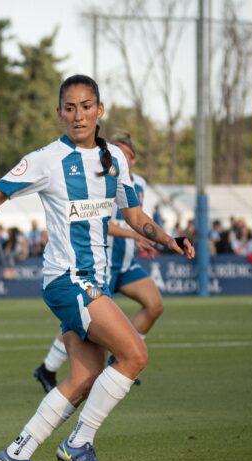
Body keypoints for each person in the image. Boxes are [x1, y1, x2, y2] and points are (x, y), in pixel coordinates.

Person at [0, 75, 194, 461]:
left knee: (84, 377)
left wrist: (169, 240)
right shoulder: (47, 160)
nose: (78, 115)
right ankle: (79, 442)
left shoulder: (115, 159)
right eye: (70, 107)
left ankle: (17, 454)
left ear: (100, 110)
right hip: (68, 280)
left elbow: (135, 217)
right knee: (135, 355)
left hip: (90, 281)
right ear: (59, 113)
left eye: (86, 106)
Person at [33, 132, 161, 394]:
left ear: (133, 160)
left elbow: (136, 217)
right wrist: (134, 234)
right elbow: (104, 224)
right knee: (87, 324)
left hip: (126, 263)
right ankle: (47, 367)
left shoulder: (141, 184)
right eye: (117, 151)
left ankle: (121, 360)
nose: (121, 157)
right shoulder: (99, 179)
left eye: (127, 154)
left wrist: (150, 236)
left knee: (154, 305)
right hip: (99, 264)